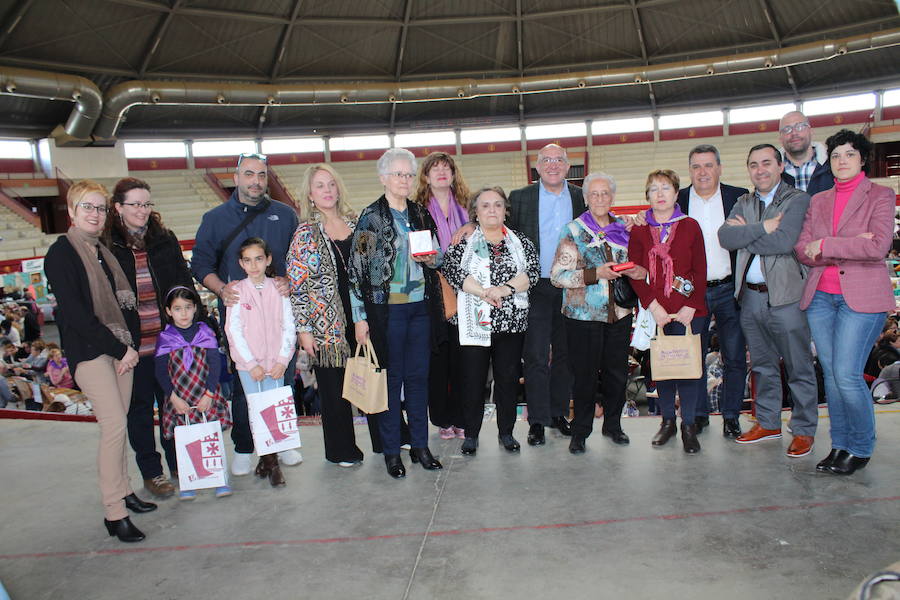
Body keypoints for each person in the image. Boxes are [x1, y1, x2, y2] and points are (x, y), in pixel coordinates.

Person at [43, 180, 151, 543]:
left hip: (120, 352)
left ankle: (124, 490)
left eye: (100, 208)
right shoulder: (62, 254)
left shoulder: (105, 251)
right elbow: (75, 314)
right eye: (86, 207)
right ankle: (113, 511)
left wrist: (127, 348)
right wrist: (122, 350)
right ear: (72, 212)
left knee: (118, 427)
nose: (94, 214)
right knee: (115, 426)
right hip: (91, 354)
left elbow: (127, 306)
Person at [191, 152, 301, 477]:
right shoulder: (215, 218)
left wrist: (290, 281)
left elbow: (298, 260)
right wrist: (221, 289)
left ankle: (281, 442)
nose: (256, 181)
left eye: (262, 175)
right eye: (249, 174)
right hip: (242, 316)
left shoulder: (286, 214)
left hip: (278, 314)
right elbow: (200, 264)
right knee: (244, 384)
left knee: (281, 382)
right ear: (236, 177)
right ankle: (243, 446)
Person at [795, 129, 895, 475]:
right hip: (822, 297)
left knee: (848, 375)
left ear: (862, 158)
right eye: (836, 155)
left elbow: (878, 247)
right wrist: (846, 243)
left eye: (850, 154)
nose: (842, 161)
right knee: (833, 377)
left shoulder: (881, 195)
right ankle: (839, 445)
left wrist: (826, 245)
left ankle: (861, 446)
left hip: (861, 299)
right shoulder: (818, 200)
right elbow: (802, 251)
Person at [348, 148, 446, 479]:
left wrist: (430, 259)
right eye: (397, 174)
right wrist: (360, 317)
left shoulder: (420, 213)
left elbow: (439, 258)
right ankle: (392, 451)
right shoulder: (371, 218)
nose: (404, 180)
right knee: (390, 383)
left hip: (421, 309)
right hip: (385, 312)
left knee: (418, 379)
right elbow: (356, 271)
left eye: (408, 174)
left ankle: (420, 445)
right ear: (383, 178)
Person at [718, 144, 818, 457]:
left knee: (798, 366)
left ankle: (803, 429)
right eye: (753, 164)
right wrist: (762, 228)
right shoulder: (743, 201)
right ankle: (769, 422)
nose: (760, 170)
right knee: (762, 366)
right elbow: (726, 238)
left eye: (766, 163)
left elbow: (784, 241)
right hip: (750, 298)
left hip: (786, 297)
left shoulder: (796, 199)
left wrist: (747, 234)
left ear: (779, 165)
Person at [105, 176, 196, 499]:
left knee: (174, 408)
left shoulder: (164, 239)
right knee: (140, 413)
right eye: (135, 204)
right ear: (118, 207)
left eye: (146, 204)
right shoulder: (107, 245)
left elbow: (183, 282)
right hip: (131, 349)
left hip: (167, 344)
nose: (142, 210)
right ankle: (152, 473)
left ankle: (179, 464)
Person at [287, 163, 380, 467]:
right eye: (319, 186)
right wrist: (303, 329)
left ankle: (386, 439)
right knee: (334, 390)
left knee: (374, 381)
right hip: (326, 326)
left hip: (364, 317)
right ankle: (342, 449)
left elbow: (373, 270)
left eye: (331, 184)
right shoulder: (304, 233)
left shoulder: (358, 223)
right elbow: (297, 286)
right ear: (310, 195)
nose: (327, 191)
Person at [442, 186, 539, 456]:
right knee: (472, 381)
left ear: (505, 210)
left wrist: (502, 290)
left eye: (497, 205)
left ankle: (506, 432)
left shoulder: (522, 242)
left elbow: (531, 271)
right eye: (485, 205)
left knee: (507, 380)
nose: (492, 210)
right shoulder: (462, 244)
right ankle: (471, 433)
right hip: (474, 323)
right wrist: (484, 292)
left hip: (511, 324)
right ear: (476, 211)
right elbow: (453, 271)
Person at [551, 172, 644, 453]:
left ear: (613, 197)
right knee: (585, 376)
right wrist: (595, 274)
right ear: (586, 198)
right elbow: (558, 275)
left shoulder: (624, 229)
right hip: (583, 316)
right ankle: (580, 430)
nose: (600, 198)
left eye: (605, 194)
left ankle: (613, 425)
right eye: (595, 194)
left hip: (619, 313)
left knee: (617, 374)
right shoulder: (574, 230)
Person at [509, 144, 585, 445]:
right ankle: (537, 421)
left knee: (566, 355)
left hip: (572, 286)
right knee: (536, 355)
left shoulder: (582, 197)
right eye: (546, 160)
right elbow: (504, 234)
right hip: (535, 286)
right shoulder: (520, 198)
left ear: (568, 166)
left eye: (559, 160)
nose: (553, 165)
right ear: (537, 168)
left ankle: (557, 413)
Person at [629, 170, 708, 453]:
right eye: (653, 189)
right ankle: (667, 422)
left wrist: (691, 305)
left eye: (665, 188)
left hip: (689, 312)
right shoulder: (639, 229)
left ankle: (689, 424)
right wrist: (653, 306)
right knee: (663, 369)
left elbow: (700, 270)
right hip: (657, 311)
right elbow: (634, 272)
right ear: (647, 196)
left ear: (676, 193)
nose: (660, 194)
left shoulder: (690, 226)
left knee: (687, 370)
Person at [677, 145, 749, 438]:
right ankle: (697, 414)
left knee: (733, 357)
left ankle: (731, 416)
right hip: (692, 293)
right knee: (694, 356)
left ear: (719, 168)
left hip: (729, 290)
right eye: (696, 166)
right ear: (690, 170)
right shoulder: (679, 200)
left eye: (708, 165)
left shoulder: (739, 197)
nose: (702, 172)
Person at [225, 237, 298, 487]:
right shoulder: (236, 291)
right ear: (241, 263)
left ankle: (272, 457)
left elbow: (289, 326)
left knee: (275, 409)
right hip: (250, 366)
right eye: (248, 260)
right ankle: (270, 462)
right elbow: (233, 331)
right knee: (255, 411)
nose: (254, 265)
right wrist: (250, 363)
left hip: (276, 363)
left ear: (267, 260)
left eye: (259, 259)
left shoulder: (279, 289)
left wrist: (282, 359)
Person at [155, 285, 232, 499]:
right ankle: (189, 480)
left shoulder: (205, 332)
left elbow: (215, 365)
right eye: (178, 308)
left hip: (205, 393)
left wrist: (209, 394)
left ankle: (219, 478)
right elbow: (161, 371)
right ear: (168, 311)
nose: (184, 313)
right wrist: (173, 398)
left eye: (188, 307)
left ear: (195, 308)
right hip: (180, 395)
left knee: (211, 436)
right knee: (184, 439)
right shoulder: (165, 338)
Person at [414, 151, 470, 440]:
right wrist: (443, 261)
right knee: (438, 360)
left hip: (468, 292)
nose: (441, 172)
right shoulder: (417, 209)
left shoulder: (468, 208)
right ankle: (442, 419)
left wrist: (472, 227)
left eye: (446, 167)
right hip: (433, 292)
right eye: (435, 168)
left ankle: (462, 417)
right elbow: (421, 252)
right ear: (425, 176)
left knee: (464, 360)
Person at [779, 110, 834, 197]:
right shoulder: (772, 172)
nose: (794, 133)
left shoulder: (832, 165)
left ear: (811, 131)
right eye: (787, 129)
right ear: (780, 138)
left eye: (800, 127)